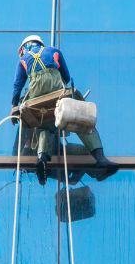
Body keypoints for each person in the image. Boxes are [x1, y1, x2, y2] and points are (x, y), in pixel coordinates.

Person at [11, 35, 117, 185]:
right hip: (57, 92)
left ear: (23, 48)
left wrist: (14, 106)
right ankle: (101, 158)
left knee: (44, 125)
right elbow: (66, 77)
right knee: (81, 121)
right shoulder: (53, 51)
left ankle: (42, 159)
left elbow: (17, 85)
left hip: (36, 97)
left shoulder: (23, 59)